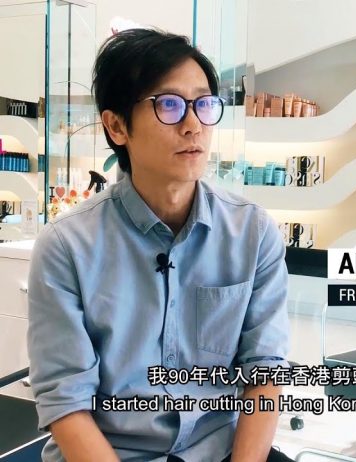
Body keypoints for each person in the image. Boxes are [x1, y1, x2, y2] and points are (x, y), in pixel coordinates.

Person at [28, 28, 292, 462]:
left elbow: (265, 372)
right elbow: (66, 402)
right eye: (168, 104)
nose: (193, 125)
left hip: (217, 449)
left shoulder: (253, 232)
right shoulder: (66, 247)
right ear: (117, 126)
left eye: (204, 104)